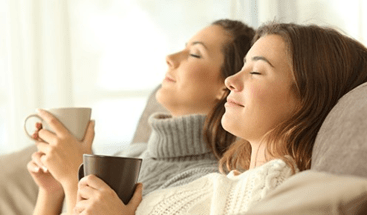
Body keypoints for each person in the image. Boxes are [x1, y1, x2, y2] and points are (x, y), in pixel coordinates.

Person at [72, 22, 367, 215]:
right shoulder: (229, 182)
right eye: (242, 67)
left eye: (256, 71)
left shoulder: (271, 187)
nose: (231, 79)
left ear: (307, 97)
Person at [27, 19, 255, 215]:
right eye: (183, 48)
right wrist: (52, 190)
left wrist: (74, 175)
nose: (170, 57)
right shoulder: (131, 155)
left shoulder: (207, 180)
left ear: (228, 87)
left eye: (195, 54)